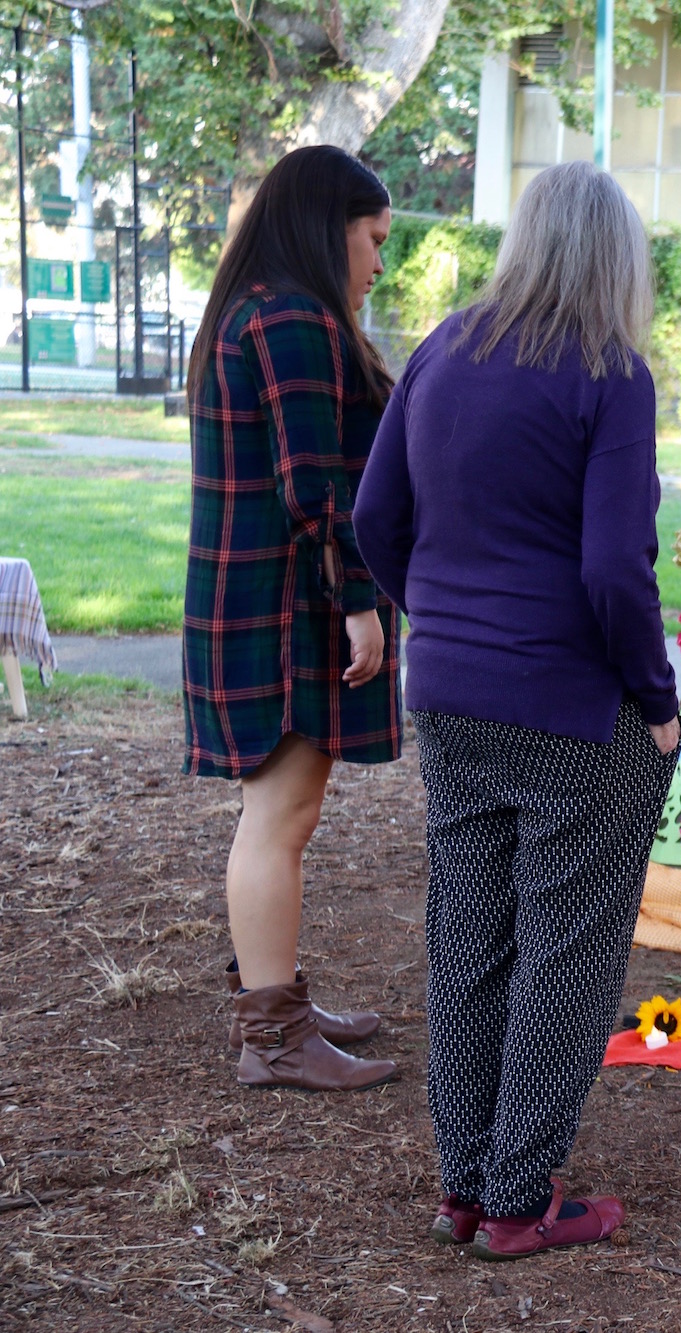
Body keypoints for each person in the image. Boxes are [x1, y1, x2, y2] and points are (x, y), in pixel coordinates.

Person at [353, 161, 681, 1261]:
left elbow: (373, 517)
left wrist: (439, 618)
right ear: (618, 258)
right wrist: (656, 700)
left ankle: (463, 1180)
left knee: (468, 935)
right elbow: (613, 571)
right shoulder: (611, 372)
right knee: (567, 948)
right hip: (570, 703)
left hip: (449, 691)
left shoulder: (443, 350)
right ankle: (517, 1196)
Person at [182, 144, 400, 1094]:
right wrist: (359, 601)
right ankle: (271, 1037)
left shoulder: (260, 310)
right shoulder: (294, 321)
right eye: (373, 239)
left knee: (277, 815)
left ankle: (276, 1002)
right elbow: (317, 489)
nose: (379, 263)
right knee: (280, 816)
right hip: (283, 605)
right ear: (329, 227)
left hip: (257, 597)